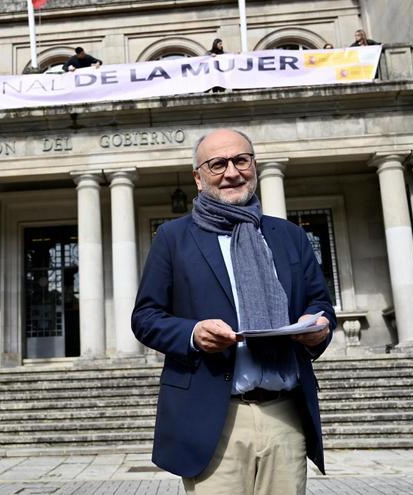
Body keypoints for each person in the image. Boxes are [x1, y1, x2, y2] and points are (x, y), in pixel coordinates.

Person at [132, 128, 334, 495]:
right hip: (214, 416)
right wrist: (193, 334)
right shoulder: (173, 237)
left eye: (241, 160)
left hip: (285, 413)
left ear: (254, 166)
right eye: (217, 164)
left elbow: (319, 303)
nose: (232, 172)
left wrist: (318, 327)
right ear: (198, 177)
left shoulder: (289, 235)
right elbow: (146, 317)